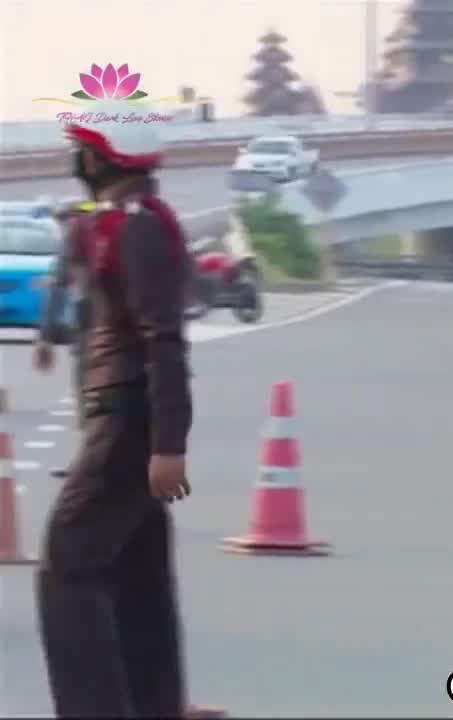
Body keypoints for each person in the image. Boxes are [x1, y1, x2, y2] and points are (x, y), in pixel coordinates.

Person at [36, 110, 222, 719]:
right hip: (120, 411)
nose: (76, 161)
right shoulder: (118, 220)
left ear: (100, 157)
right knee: (136, 574)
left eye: (81, 150)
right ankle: (153, 704)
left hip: (127, 414)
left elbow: (162, 337)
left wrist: (169, 444)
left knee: (68, 567)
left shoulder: (139, 227)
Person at [34, 198, 97, 478]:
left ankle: (88, 461)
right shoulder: (121, 228)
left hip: (91, 330)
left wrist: (45, 336)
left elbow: (58, 287)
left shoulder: (76, 235)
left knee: (89, 394)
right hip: (132, 332)